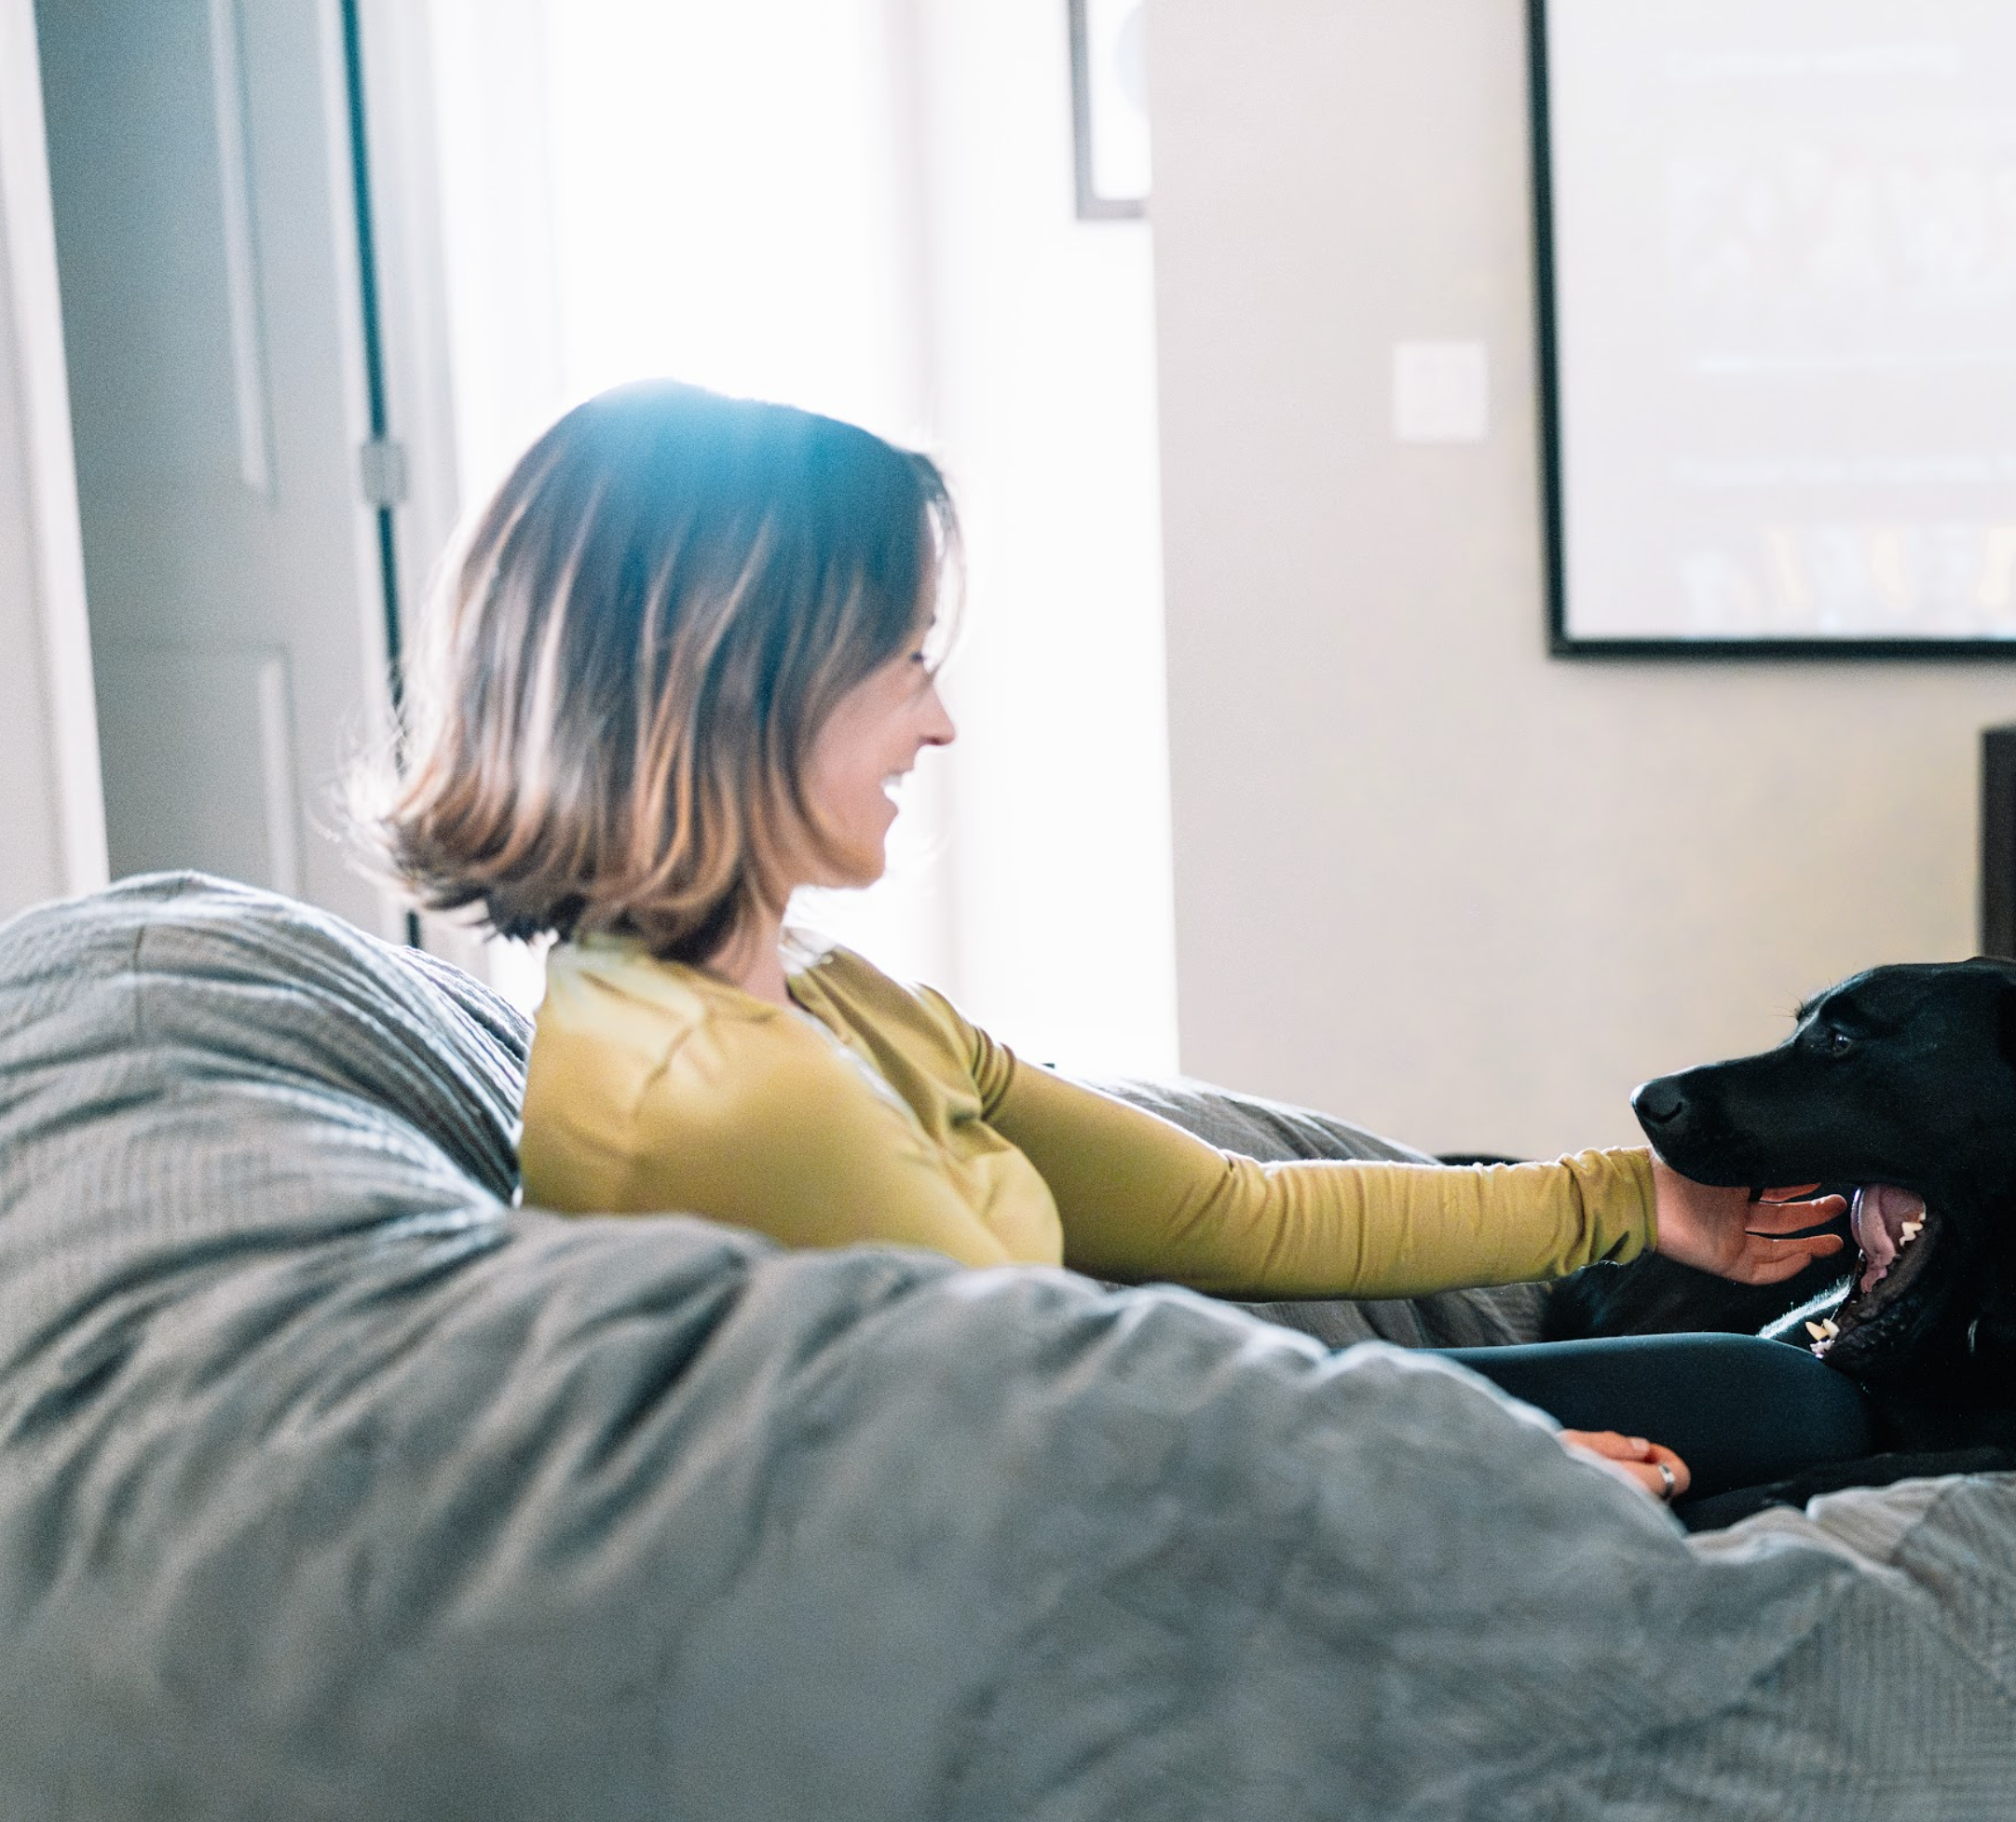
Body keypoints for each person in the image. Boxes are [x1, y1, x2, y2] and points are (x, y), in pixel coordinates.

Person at [374, 382, 1873, 1505]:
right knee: (1790, 1422)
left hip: (1182, 1429)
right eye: (905, 664)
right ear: (741, 686)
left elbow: (1230, 1212)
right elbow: (1068, 1460)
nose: (938, 723)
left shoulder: (820, 997)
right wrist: (1448, 1472)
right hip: (1132, 1511)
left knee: (1777, 1398)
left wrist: (1632, 1201)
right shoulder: (736, 1102)